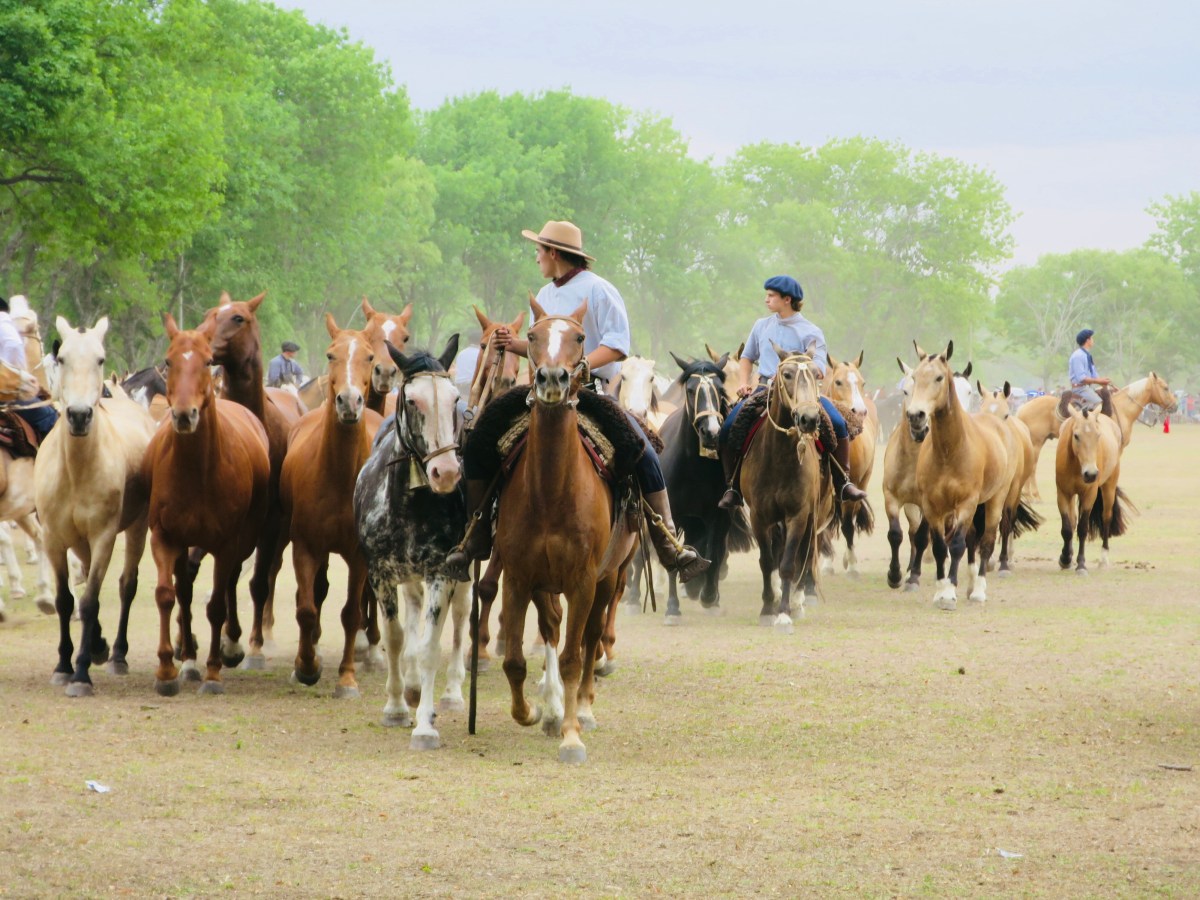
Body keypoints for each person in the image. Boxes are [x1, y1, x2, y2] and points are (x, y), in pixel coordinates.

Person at [445, 219, 709, 583]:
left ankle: (667, 540)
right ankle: (474, 533)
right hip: (539, 394)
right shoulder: (545, 293)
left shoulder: (599, 291)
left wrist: (580, 367)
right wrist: (512, 343)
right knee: (481, 439)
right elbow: (542, 348)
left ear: (554, 253)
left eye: (539, 251)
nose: (536, 257)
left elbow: (618, 344)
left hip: (589, 392)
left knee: (642, 446)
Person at [717, 275, 868, 510]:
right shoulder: (761, 325)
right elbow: (747, 358)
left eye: (771, 296)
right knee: (728, 428)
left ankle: (843, 482)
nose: (766, 299)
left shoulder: (811, 331)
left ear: (787, 299)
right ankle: (733, 487)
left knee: (837, 424)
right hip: (764, 389)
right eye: (767, 295)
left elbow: (819, 367)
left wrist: (795, 372)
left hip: (804, 393)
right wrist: (744, 382)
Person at [0, 297, 57, 440]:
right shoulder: (3, 320)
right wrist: (9, 373)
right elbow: (13, 344)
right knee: (50, 418)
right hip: (5, 392)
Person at [1066, 328, 1111, 411]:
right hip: (1080, 389)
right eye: (1091, 338)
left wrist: (1105, 383)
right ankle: (1087, 422)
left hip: (1087, 388)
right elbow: (1081, 378)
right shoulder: (1078, 356)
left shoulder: (1087, 356)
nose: (1093, 340)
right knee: (1098, 402)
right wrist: (1099, 381)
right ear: (1088, 340)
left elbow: (1094, 375)